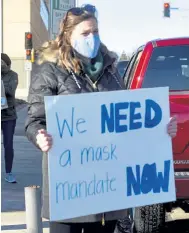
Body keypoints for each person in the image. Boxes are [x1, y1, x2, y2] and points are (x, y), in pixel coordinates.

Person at [25, 4, 177, 233]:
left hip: (107, 189)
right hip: (70, 188)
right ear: (68, 36)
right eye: (85, 33)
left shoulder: (110, 69)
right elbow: (34, 120)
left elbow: (127, 118)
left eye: (95, 31)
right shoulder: (50, 70)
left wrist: (158, 129)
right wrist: (39, 136)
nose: (92, 37)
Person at [1, 53, 18, 183]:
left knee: (8, 145)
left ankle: (9, 172)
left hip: (8, 115)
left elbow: (10, 91)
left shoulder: (13, 75)